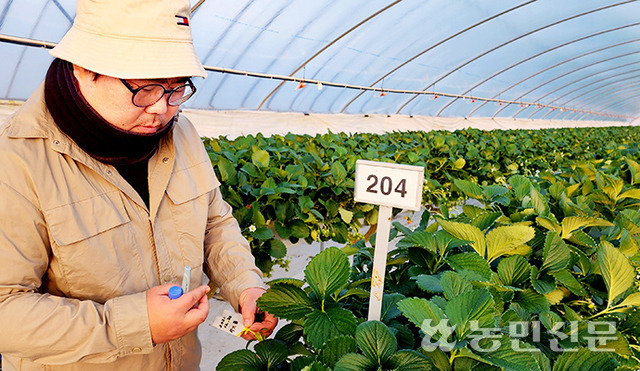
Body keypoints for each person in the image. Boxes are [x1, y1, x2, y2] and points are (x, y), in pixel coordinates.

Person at [0, 0, 277, 369]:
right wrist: (133, 324)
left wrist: (245, 284)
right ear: (84, 68)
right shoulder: (17, 161)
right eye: (146, 88)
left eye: (178, 88)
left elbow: (214, 222)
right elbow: (6, 309)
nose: (163, 108)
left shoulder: (182, 134)